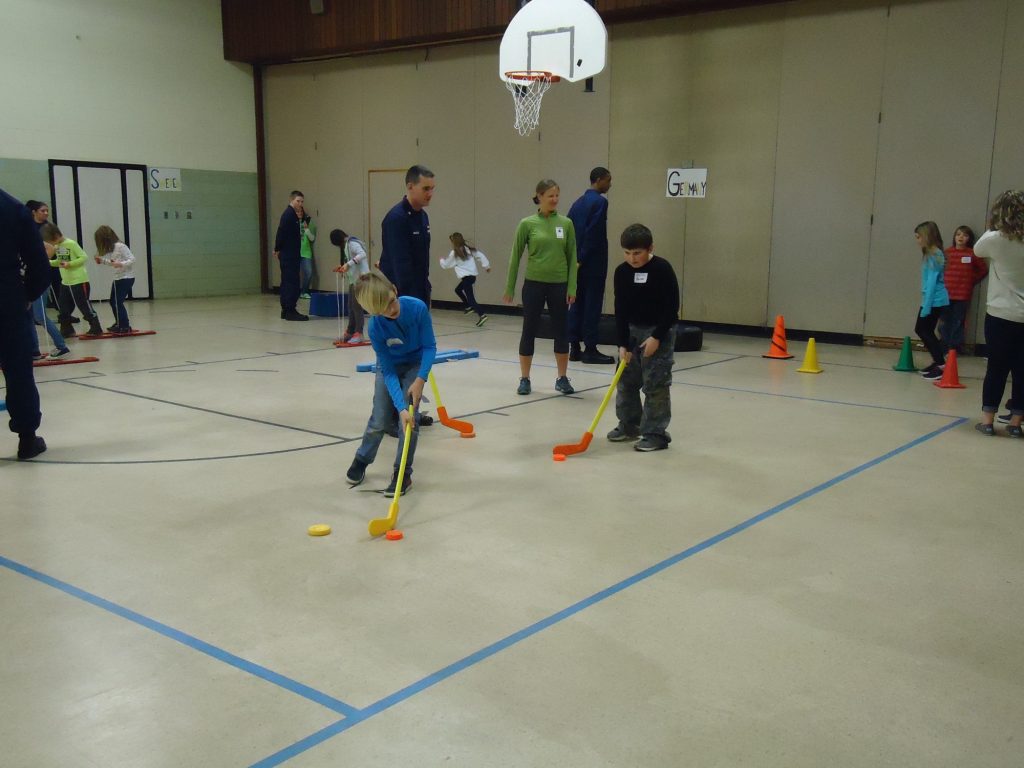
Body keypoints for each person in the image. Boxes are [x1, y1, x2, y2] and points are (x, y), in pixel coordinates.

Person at [345, 271, 436, 495]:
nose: (392, 310)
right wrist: (400, 407)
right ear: (373, 312)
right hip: (390, 369)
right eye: (384, 309)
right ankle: (363, 458)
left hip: (415, 364)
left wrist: (420, 379)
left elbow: (429, 347)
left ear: (394, 289)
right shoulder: (376, 328)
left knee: (410, 422)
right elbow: (388, 372)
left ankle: (402, 473)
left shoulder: (417, 308)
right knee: (380, 419)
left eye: (392, 301)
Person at [607, 223, 680, 452]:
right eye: (627, 253)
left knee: (655, 384)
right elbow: (621, 309)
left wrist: (656, 337)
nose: (632, 258)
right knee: (626, 382)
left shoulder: (662, 269)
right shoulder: (622, 272)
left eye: (637, 253)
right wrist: (622, 343)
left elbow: (672, 308)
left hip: (658, 332)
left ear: (650, 248)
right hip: (631, 331)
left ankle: (655, 433)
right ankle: (629, 425)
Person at [503, 179, 578, 395]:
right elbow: (515, 256)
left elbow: (572, 256)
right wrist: (510, 287)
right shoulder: (527, 223)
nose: (554, 199)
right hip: (534, 284)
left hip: (559, 285)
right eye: (550, 195)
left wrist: (572, 286)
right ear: (539, 196)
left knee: (561, 331)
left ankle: (562, 377)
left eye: (557, 195)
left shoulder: (566, 224)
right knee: (529, 330)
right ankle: (525, 378)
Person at [1, 188, 50, 459]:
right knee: (18, 370)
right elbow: (40, 266)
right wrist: (28, 295)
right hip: (6, 298)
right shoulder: (13, 208)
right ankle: (27, 439)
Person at [973, 190, 1024, 437]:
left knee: (997, 368)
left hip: (1000, 314)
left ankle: (988, 420)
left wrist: (992, 226)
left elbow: (977, 251)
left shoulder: (994, 239)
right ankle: (1015, 423)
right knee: (1022, 370)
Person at [567, 167, 615, 364]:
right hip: (592, 263)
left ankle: (574, 348)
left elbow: (570, 231)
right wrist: (584, 257)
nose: (610, 184)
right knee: (592, 305)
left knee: (576, 303)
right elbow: (594, 234)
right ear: (599, 180)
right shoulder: (600, 202)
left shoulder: (577, 203)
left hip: (576, 263)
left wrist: (574, 260)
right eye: (608, 180)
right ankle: (591, 348)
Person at [379, 165, 435, 304]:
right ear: (410, 187)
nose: (430, 193)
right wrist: (408, 300)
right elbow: (399, 264)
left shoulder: (423, 216)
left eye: (432, 188)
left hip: (421, 290)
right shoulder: (396, 218)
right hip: (403, 296)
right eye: (425, 189)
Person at [39, 223, 103, 338]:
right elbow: (60, 261)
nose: (52, 245)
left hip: (79, 280)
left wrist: (70, 264)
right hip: (65, 282)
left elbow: (83, 257)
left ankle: (95, 326)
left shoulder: (71, 243)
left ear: (56, 236)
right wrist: (47, 262)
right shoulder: (58, 246)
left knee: (83, 304)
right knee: (63, 306)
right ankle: (67, 329)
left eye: (51, 241)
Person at [941, 225, 988, 354]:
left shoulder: (972, 253)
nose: (961, 237)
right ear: (954, 237)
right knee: (945, 321)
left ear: (969, 239)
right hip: (946, 294)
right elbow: (939, 270)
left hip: (962, 295)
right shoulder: (947, 253)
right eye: (958, 234)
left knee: (958, 321)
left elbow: (983, 269)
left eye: (965, 235)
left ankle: (954, 347)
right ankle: (944, 344)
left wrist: (971, 279)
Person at [913, 221, 950, 380]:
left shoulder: (934, 255)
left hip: (935, 300)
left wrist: (926, 305)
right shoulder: (930, 254)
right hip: (932, 299)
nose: (917, 240)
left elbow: (932, 282)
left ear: (926, 236)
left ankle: (941, 364)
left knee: (923, 329)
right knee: (923, 329)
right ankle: (937, 361)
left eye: (919, 237)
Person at [25, 200, 69, 318]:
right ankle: (37, 314)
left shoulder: (49, 226)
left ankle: (64, 314)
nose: (46, 213)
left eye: (47, 211)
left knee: (59, 286)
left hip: (53, 261)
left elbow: (60, 241)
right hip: (39, 263)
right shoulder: (29, 226)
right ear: (34, 212)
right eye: (42, 211)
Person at [439, 232, 490, 326]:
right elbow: (480, 255)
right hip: (472, 277)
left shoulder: (454, 253)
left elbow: (446, 265)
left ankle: (482, 314)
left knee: (471, 299)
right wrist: (486, 266)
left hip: (467, 278)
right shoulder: (468, 249)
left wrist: (441, 260)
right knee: (458, 290)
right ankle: (468, 306)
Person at [93, 225, 136, 333]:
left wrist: (121, 263)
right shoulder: (113, 249)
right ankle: (119, 323)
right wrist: (102, 261)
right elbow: (114, 263)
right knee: (113, 302)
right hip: (118, 278)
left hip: (126, 278)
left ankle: (125, 326)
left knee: (118, 302)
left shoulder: (120, 246)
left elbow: (132, 259)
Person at [273, 190, 309, 321]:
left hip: (290, 254)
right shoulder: (289, 215)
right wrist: (277, 248)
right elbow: (281, 232)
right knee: (291, 282)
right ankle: (290, 310)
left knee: (287, 282)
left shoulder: (293, 215)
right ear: (292, 200)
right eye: (298, 201)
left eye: (302, 201)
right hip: (289, 255)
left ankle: (285, 309)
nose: (300, 204)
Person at [331, 228, 369, 343]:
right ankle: (350, 331)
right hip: (354, 280)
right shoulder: (346, 246)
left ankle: (359, 333)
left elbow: (362, 254)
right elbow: (349, 263)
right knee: (350, 306)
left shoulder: (352, 243)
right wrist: (343, 267)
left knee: (357, 306)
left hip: (361, 278)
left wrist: (348, 264)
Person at [298, 201, 317, 299]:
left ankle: (304, 291)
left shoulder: (309, 223)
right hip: (295, 252)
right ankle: (294, 292)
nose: (299, 214)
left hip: (306, 252)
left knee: (308, 273)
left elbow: (312, 238)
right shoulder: (291, 222)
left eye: (301, 212)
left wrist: (306, 229)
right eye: (297, 212)